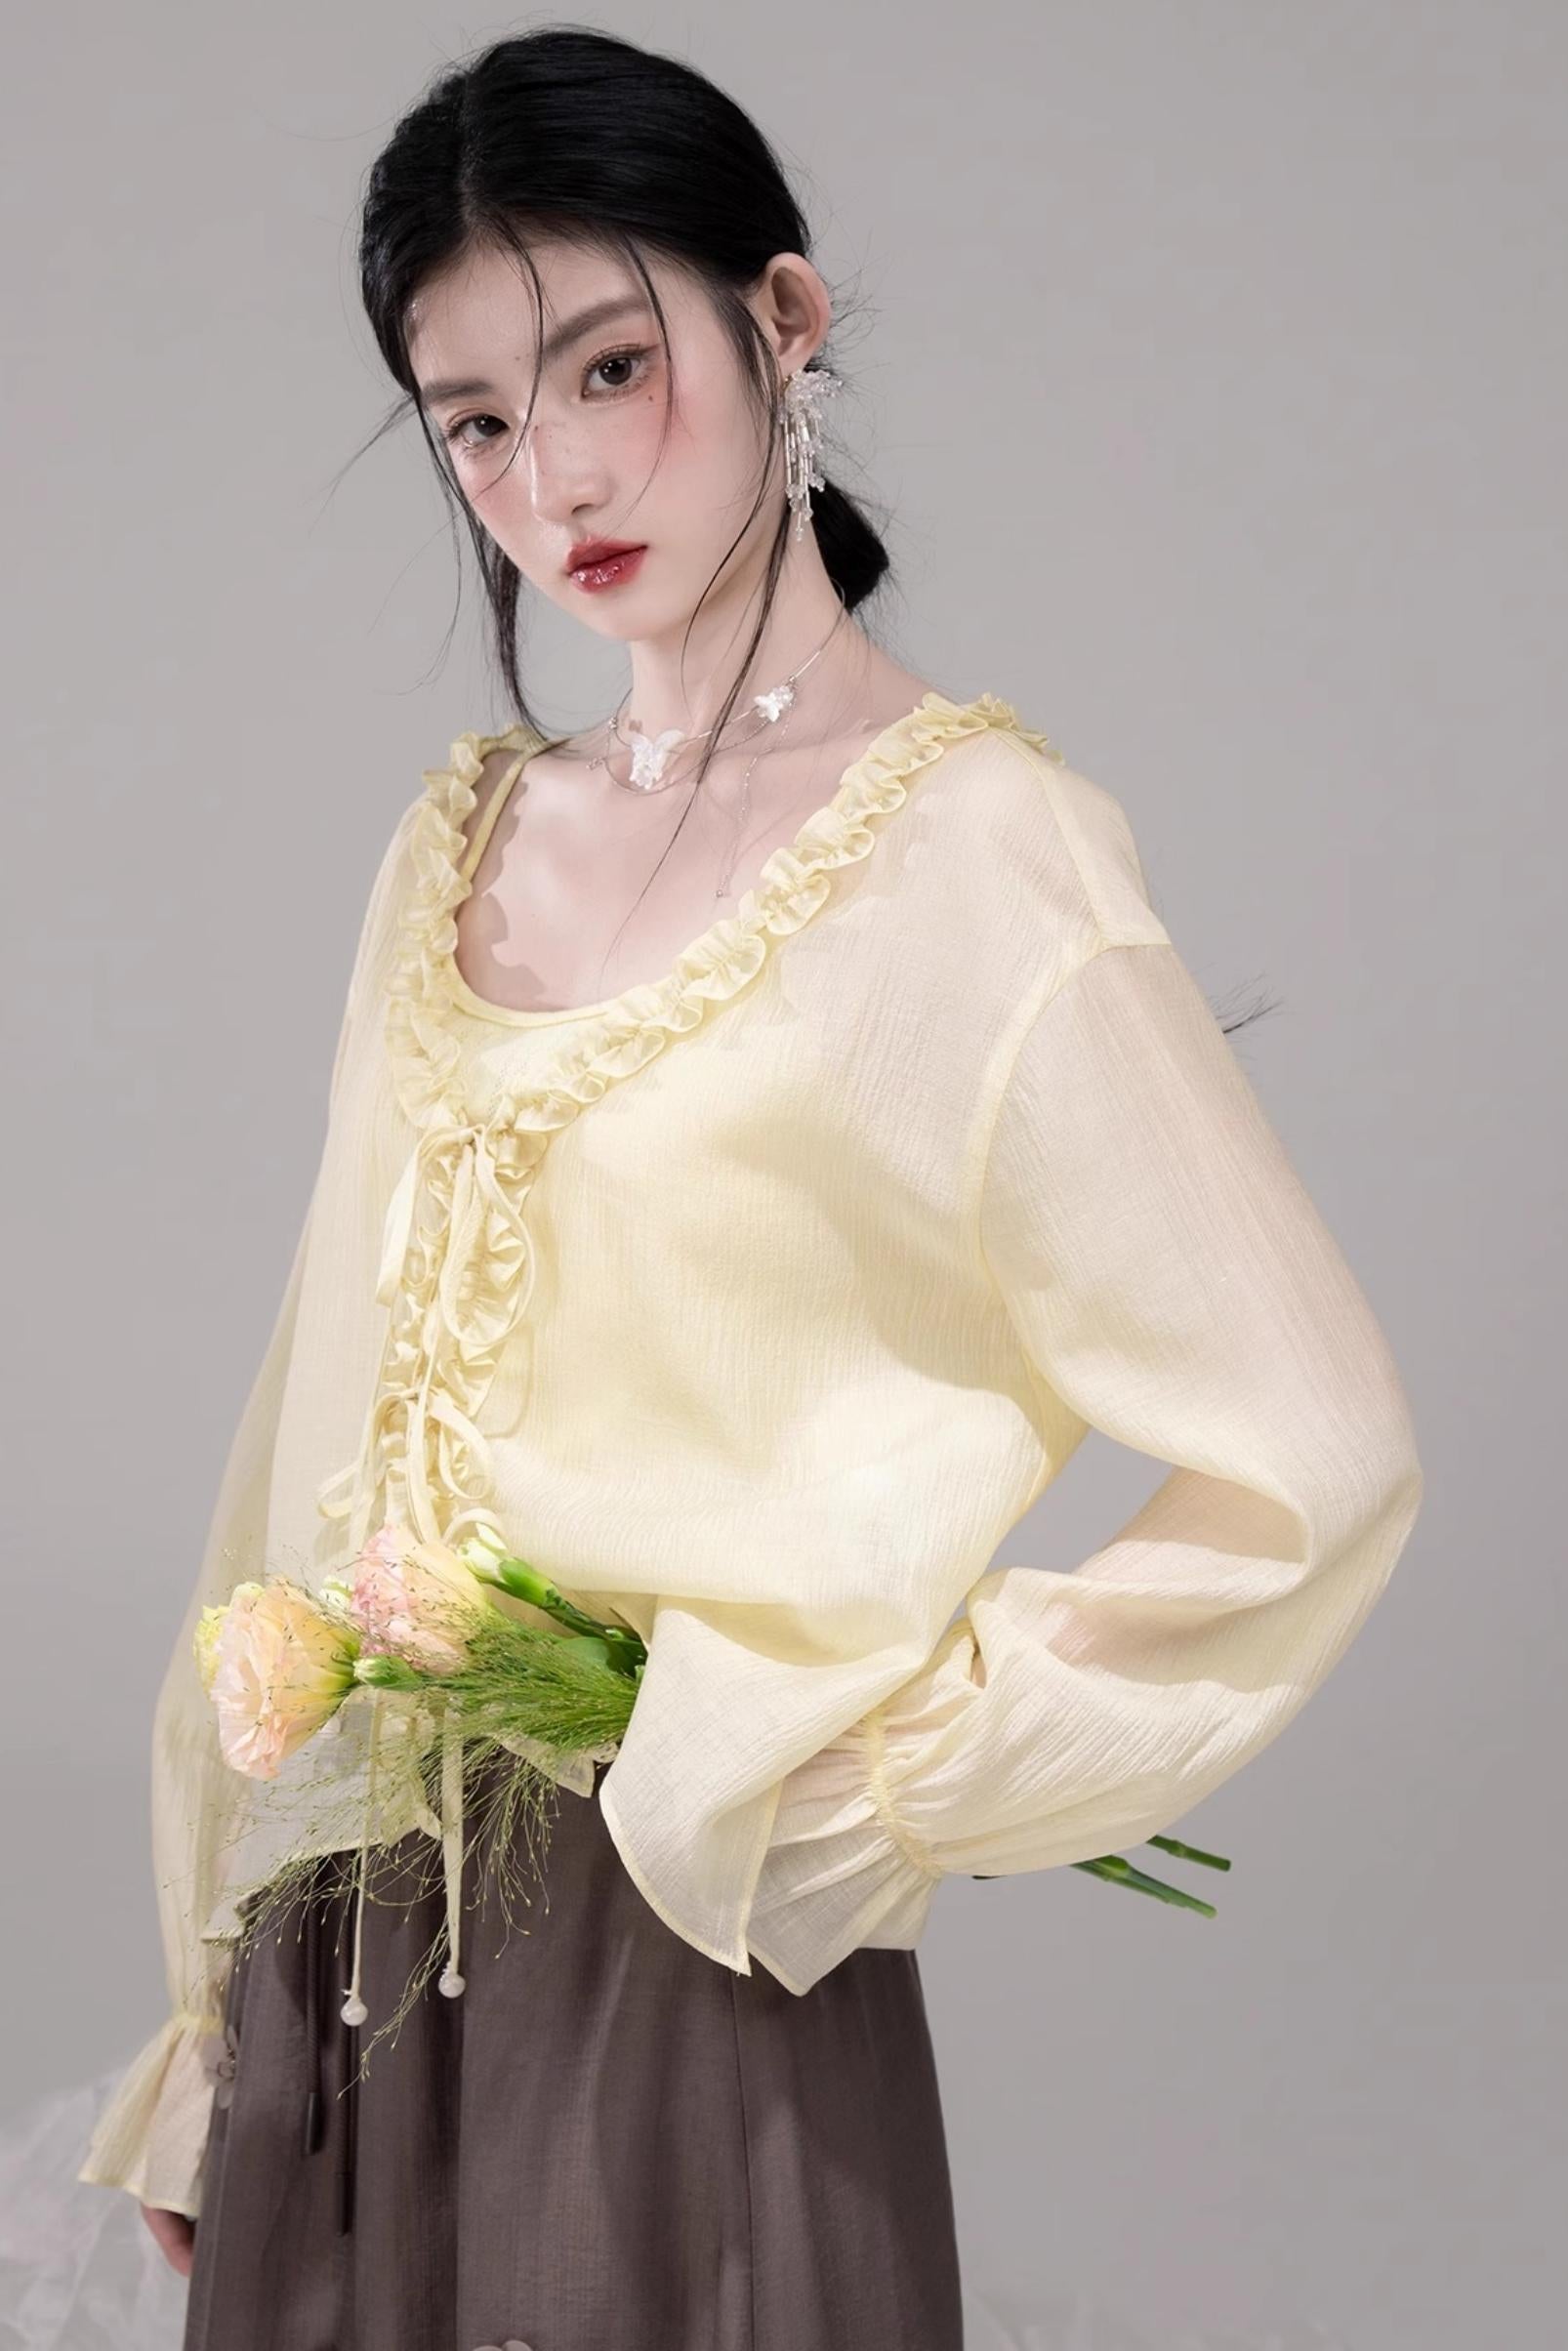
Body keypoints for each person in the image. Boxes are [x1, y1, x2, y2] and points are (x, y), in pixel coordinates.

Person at [75, 23, 1424, 2350]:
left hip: (682, 1971)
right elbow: (305, 1437)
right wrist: (212, 2016)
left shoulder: (979, 860)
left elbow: (1315, 1453)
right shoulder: (452, 847)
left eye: (610, 367)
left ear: (779, 321)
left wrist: (865, 1780)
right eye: (474, 421)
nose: (554, 477)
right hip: (342, 1964)